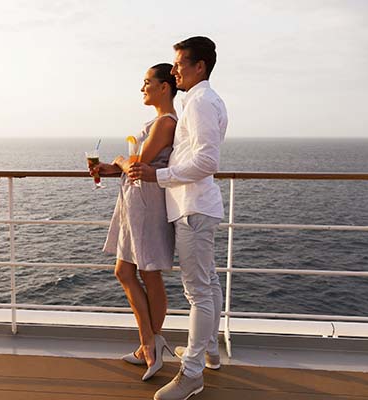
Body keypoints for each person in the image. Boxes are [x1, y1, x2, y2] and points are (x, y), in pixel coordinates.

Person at [129, 36, 228, 400]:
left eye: (180, 64)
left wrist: (159, 176)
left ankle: (191, 375)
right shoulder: (202, 100)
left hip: (193, 207)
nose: (174, 71)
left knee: (198, 291)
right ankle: (209, 353)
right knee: (209, 284)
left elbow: (207, 161)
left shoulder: (200, 101)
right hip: (198, 205)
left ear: (199, 66)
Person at [90, 63, 178, 381]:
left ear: (164, 87)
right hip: (136, 204)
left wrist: (119, 160)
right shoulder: (155, 122)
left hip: (147, 205)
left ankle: (148, 345)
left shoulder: (166, 123)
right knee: (131, 270)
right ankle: (150, 344)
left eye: (147, 83)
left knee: (144, 272)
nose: (142, 88)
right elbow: (134, 167)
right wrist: (108, 167)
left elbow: (138, 163)